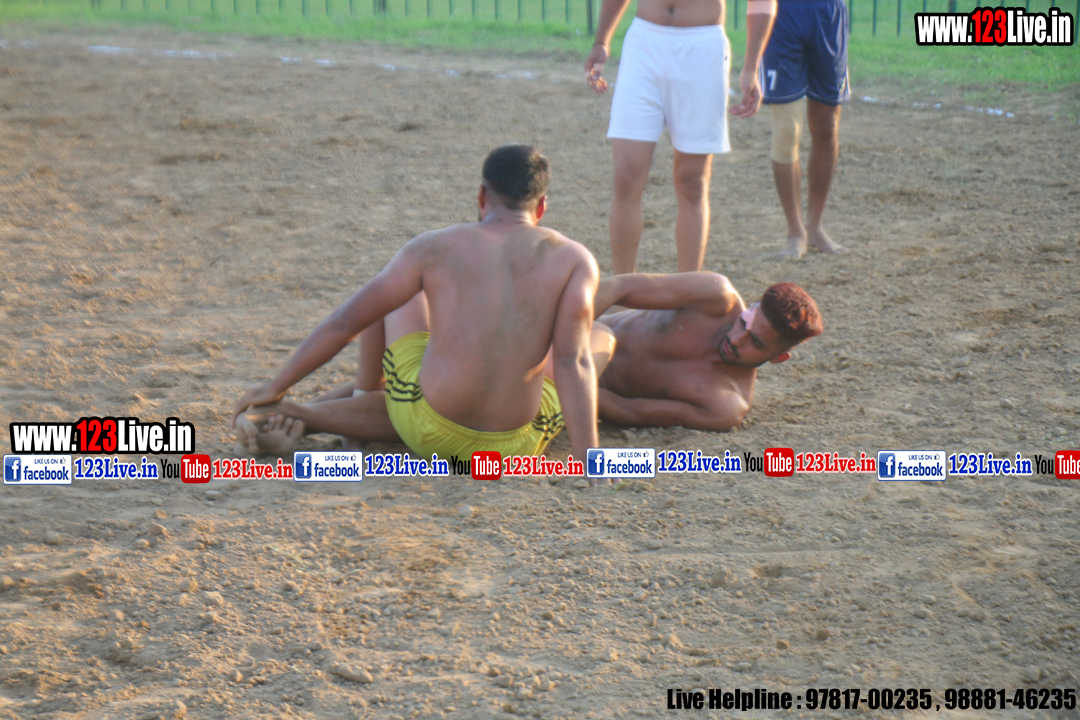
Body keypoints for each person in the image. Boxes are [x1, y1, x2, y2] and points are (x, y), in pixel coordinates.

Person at [232, 145, 601, 464]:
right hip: (513, 447)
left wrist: (276, 385)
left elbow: (345, 323)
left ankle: (346, 424)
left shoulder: (432, 247)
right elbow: (575, 362)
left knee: (390, 296)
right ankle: (322, 417)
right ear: (542, 206)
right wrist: (592, 466)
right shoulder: (575, 259)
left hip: (429, 431)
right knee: (596, 338)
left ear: (481, 196)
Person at [583, 0, 777, 274]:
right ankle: (623, 289)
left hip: (702, 48)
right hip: (644, 43)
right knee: (625, 175)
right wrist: (601, 41)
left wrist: (751, 67)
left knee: (692, 182)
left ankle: (687, 289)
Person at [592, 272, 820, 430]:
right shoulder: (715, 296)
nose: (736, 339)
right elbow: (618, 286)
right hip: (582, 330)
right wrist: (570, 327)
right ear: (751, 308)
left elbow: (630, 411)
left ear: (778, 358)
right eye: (744, 322)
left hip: (583, 387)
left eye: (756, 343)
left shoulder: (723, 407)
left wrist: (574, 386)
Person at [760, 0, 850, 259]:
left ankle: (815, 226)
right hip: (781, 14)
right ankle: (795, 231)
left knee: (827, 127)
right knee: (787, 129)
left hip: (828, 12)